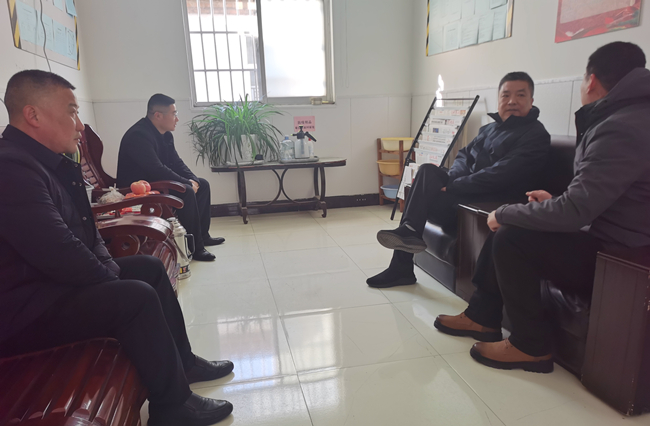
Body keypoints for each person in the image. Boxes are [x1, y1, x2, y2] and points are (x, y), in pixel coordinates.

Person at [0, 70, 234, 425]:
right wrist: (111, 279)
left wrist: (109, 268)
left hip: (49, 283)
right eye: (72, 112)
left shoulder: (45, 161)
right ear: (33, 115)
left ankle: (184, 364)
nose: (80, 126)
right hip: (27, 309)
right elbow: (60, 251)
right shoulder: (11, 169)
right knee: (135, 297)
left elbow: (85, 228)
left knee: (149, 269)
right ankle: (172, 407)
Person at [435, 42, 650, 374]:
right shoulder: (631, 117)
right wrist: (552, 201)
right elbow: (608, 197)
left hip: (620, 256)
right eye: (506, 95)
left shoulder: (620, 127)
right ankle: (481, 317)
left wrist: (504, 212)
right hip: (610, 236)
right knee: (513, 225)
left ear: (591, 81)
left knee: (511, 235)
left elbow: (576, 210)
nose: (512, 101)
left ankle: (530, 346)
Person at [368, 72, 551, 288]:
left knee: (423, 196)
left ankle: (402, 263)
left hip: (487, 201)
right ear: (498, 99)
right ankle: (406, 241)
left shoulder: (535, 135)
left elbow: (502, 174)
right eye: (506, 95)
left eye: (520, 95)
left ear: (531, 100)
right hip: (463, 193)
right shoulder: (489, 129)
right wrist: (453, 179)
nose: (512, 101)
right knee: (427, 171)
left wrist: (455, 186)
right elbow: (464, 155)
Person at [117, 94, 223, 262]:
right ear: (158, 115)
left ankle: (203, 236)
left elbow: (176, 162)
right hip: (140, 189)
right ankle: (195, 248)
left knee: (202, 184)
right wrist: (187, 183)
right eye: (174, 114)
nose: (177, 119)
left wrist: (193, 179)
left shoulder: (165, 134)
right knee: (186, 190)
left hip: (156, 182)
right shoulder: (138, 135)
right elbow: (156, 169)